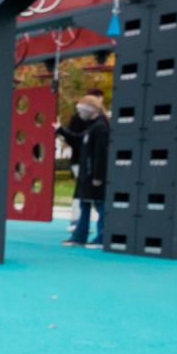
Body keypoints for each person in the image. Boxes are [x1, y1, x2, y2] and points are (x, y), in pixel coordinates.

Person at [57, 89, 110, 247]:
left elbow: (101, 155)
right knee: (84, 205)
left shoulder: (100, 128)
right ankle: (79, 236)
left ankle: (102, 237)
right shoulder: (92, 127)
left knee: (100, 205)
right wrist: (60, 130)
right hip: (87, 174)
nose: (79, 114)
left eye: (81, 110)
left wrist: (98, 176)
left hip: (94, 175)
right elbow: (79, 140)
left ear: (90, 111)